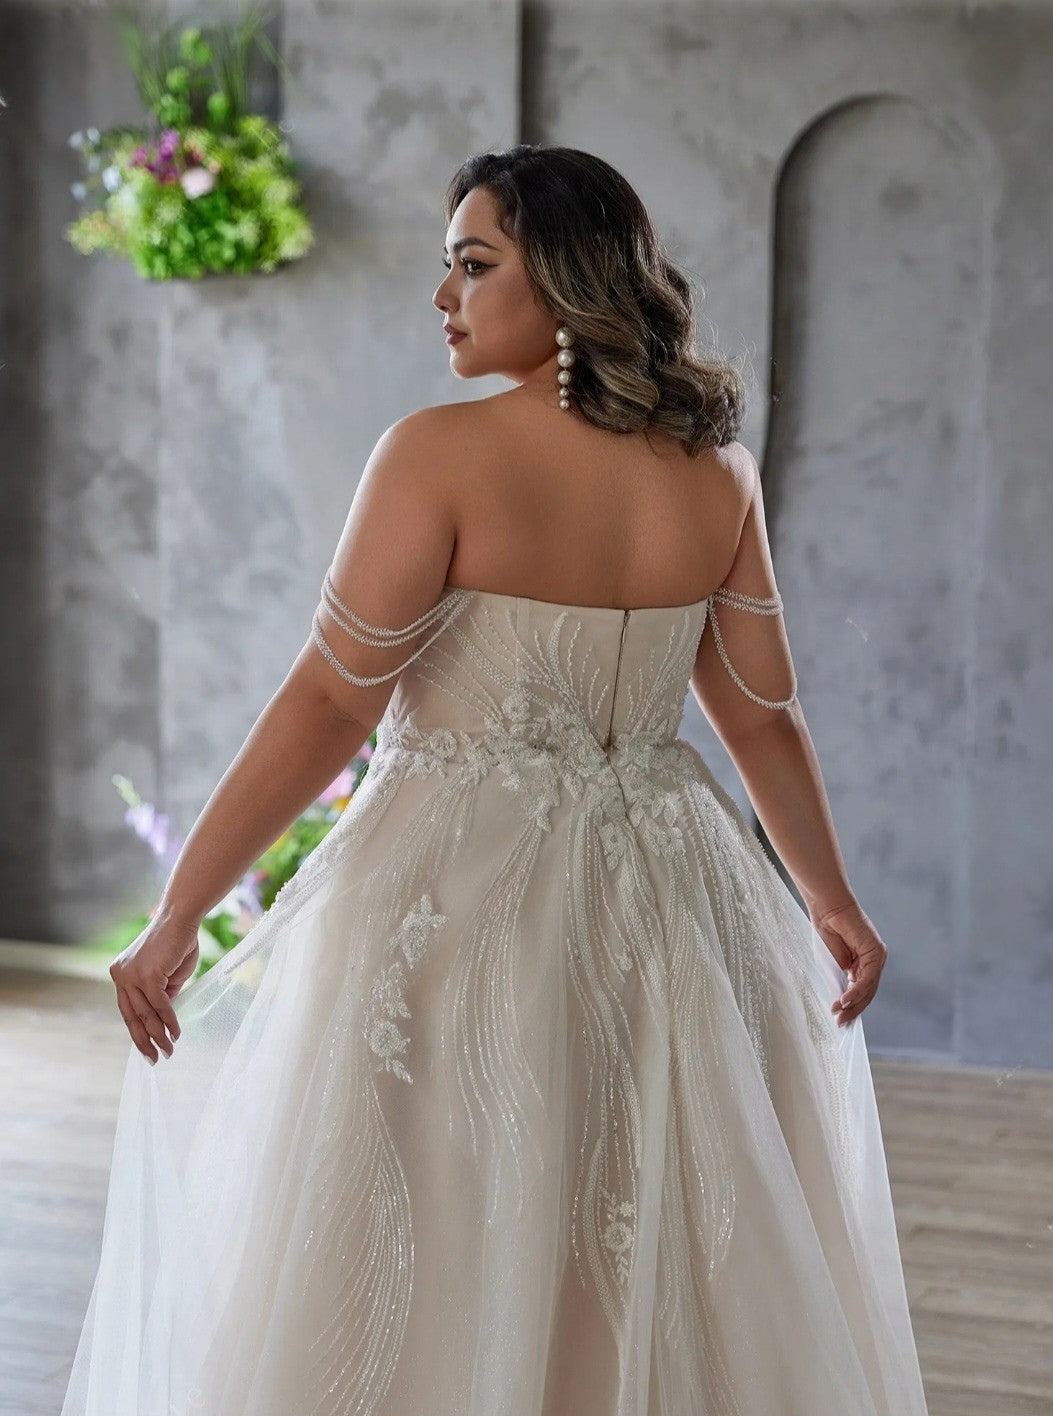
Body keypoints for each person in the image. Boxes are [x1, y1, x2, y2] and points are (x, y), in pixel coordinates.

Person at [61, 144, 929, 1415]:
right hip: (675, 894)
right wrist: (832, 901)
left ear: (570, 285)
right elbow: (760, 716)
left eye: (475, 264)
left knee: (450, 1225)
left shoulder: (436, 453)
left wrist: (185, 905)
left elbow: (327, 701)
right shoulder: (717, 470)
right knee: (652, 1222)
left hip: (460, 894)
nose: (444, 295)